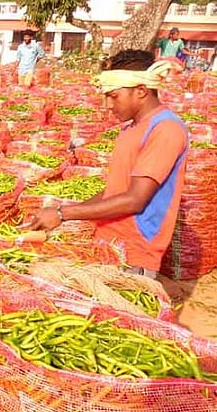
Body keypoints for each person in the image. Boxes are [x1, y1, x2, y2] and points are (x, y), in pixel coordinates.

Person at [25, 50, 188, 277]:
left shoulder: (165, 129)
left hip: (134, 252)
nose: (108, 105)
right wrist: (63, 214)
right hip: (110, 243)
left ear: (141, 90)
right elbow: (115, 191)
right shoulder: (131, 128)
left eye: (114, 96)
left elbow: (135, 200)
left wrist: (64, 214)